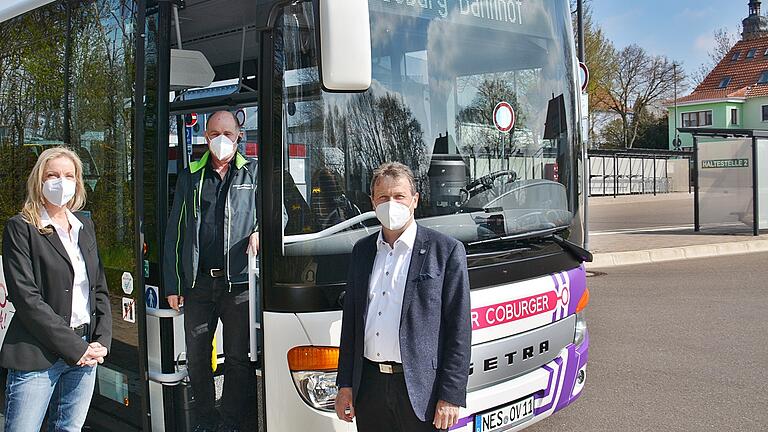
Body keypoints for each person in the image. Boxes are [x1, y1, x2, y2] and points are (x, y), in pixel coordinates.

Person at [334, 162, 471, 431]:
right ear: (373, 202)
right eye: (383, 197)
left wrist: (451, 396)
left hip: (422, 391)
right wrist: (345, 385)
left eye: (399, 196)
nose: (391, 203)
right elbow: (351, 324)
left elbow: (459, 329)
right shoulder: (362, 252)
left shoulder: (445, 251)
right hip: (370, 387)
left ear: (415, 200)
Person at [1, 147, 112, 432]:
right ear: (39, 181)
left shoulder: (84, 225)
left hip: (86, 351)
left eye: (68, 175)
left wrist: (101, 341)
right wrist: (77, 349)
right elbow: (27, 300)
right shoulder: (20, 228)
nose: (61, 182)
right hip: (38, 356)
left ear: (77, 182)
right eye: (53, 175)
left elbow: (98, 287)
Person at [163, 110, 260, 432]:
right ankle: (205, 421)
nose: (221, 140)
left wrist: (261, 231)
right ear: (205, 137)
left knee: (237, 357)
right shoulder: (191, 177)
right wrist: (174, 284)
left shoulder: (254, 173)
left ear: (239, 137)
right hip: (199, 284)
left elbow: (280, 216)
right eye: (214, 134)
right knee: (197, 359)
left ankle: (232, 421)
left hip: (239, 285)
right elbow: (175, 233)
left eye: (228, 134)